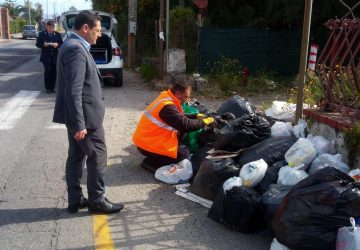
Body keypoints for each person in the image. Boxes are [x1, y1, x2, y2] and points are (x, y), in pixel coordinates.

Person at [53, 10, 123, 214]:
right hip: (85, 118)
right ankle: (97, 200)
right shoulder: (75, 48)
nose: (100, 34)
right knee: (97, 155)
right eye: (97, 30)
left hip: (79, 116)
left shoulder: (72, 45)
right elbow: (73, 90)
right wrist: (79, 124)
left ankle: (75, 199)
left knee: (76, 156)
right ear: (85, 28)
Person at [132, 77, 215, 171]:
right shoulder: (167, 106)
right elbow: (185, 125)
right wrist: (205, 121)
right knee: (184, 153)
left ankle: (157, 156)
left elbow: (179, 116)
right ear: (178, 93)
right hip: (149, 143)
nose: (187, 100)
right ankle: (150, 163)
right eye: (186, 96)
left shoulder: (167, 97)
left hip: (149, 139)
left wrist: (196, 116)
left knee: (181, 143)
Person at [36, 20, 63, 93]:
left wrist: (57, 45)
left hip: (55, 56)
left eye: (52, 27)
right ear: (46, 27)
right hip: (46, 57)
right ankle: (48, 88)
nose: (51, 29)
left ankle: (52, 87)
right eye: (49, 27)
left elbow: (61, 43)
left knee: (54, 72)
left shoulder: (57, 34)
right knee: (48, 72)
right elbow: (38, 44)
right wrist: (43, 45)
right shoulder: (42, 34)